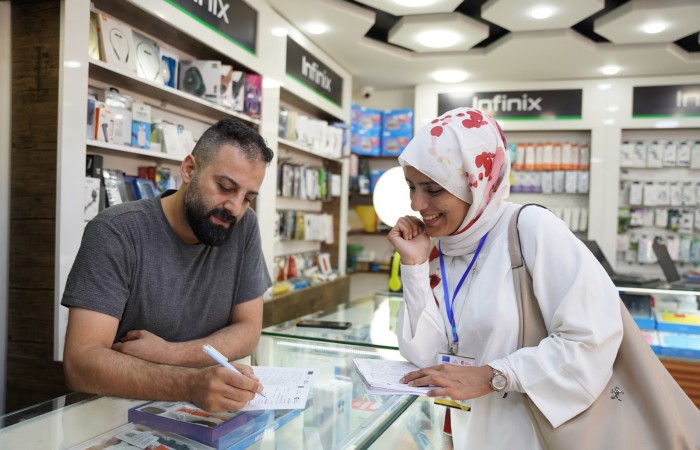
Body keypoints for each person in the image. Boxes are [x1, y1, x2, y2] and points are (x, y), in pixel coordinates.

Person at [388, 107, 623, 448]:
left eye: (433, 190)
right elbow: (423, 354)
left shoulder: (532, 229)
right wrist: (414, 265)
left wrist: (494, 376)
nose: (416, 204)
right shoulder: (440, 244)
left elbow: (591, 339)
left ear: (475, 182)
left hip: (526, 435)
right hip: (457, 433)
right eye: (411, 187)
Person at [62, 118, 274, 413]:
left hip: (203, 414)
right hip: (112, 415)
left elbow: (249, 329)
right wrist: (190, 385)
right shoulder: (116, 231)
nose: (235, 208)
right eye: (226, 187)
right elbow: (80, 363)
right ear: (189, 169)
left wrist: (169, 353)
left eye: (248, 198)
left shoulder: (244, 226)